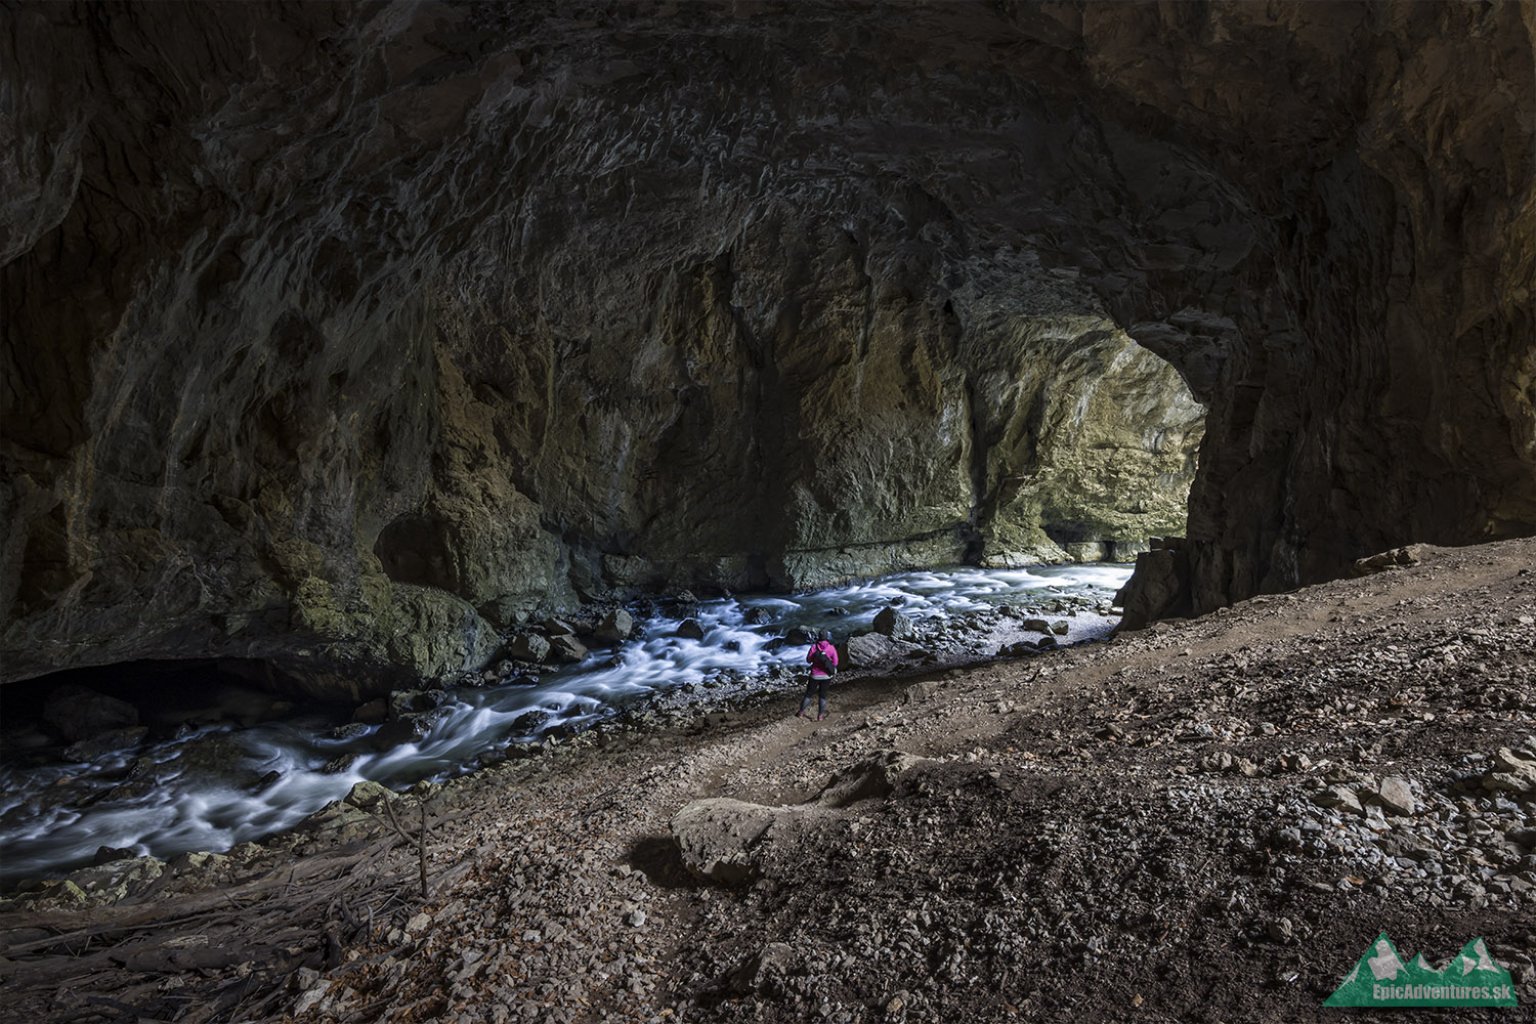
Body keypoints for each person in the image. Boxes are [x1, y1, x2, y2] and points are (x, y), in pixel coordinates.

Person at [798, 630, 839, 720]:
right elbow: (835, 662)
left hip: (815, 675)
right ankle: (820, 716)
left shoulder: (814, 647)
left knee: (808, 694)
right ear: (827, 637)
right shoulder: (831, 648)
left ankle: (801, 712)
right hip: (826, 676)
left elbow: (808, 660)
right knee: (822, 695)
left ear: (818, 637)